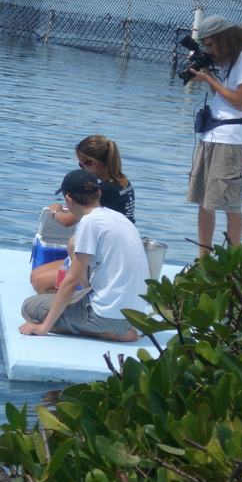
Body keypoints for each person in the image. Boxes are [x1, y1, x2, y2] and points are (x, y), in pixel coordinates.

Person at [19, 169, 148, 342]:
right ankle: (109, 327)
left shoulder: (89, 222)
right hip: (134, 315)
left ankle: (103, 332)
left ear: (68, 199)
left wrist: (43, 328)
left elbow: (71, 282)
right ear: (99, 193)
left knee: (29, 308)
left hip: (107, 316)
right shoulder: (119, 217)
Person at [185, 14, 242, 257]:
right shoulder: (227, 60)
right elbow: (219, 92)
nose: (208, 49)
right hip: (210, 135)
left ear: (223, 38)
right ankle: (204, 257)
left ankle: (233, 260)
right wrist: (206, 69)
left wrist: (208, 78)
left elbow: (240, 102)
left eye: (209, 44)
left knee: (230, 203)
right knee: (204, 202)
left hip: (230, 137)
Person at [30, 134, 135, 294]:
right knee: (36, 275)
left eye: (81, 164)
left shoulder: (104, 191)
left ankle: (82, 304)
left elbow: (66, 221)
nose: (80, 168)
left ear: (94, 163)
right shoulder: (124, 184)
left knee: (39, 282)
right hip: (116, 250)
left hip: (107, 258)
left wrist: (55, 210)